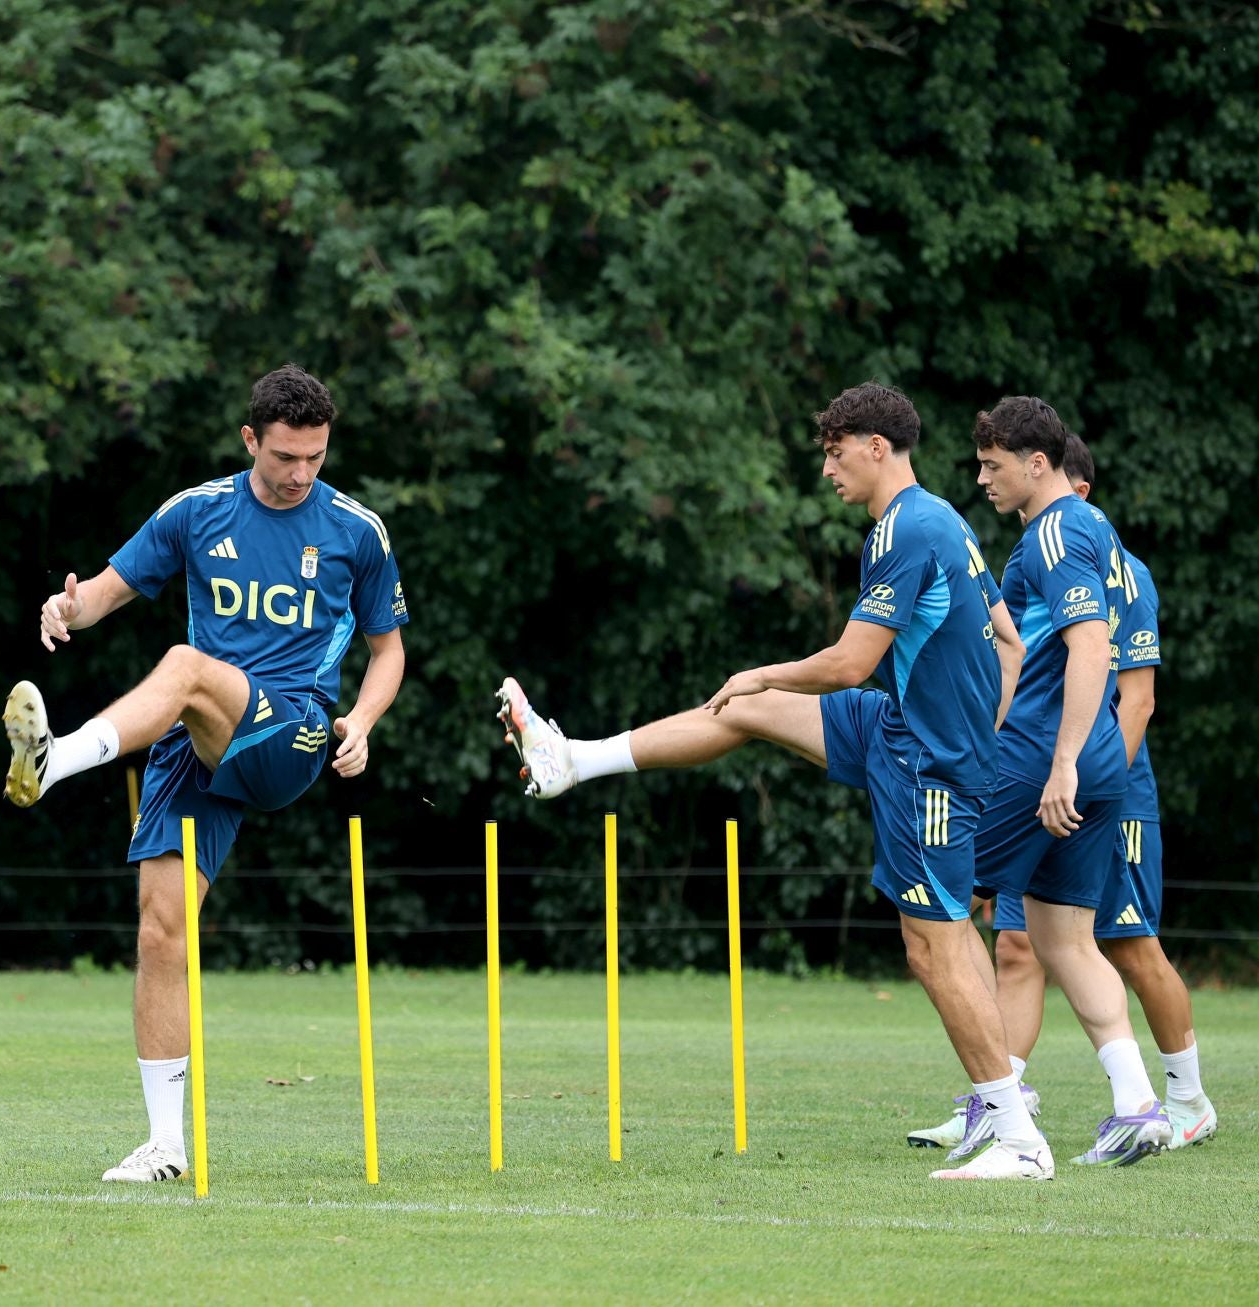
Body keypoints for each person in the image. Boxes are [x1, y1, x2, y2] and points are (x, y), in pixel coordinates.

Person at [497, 381, 1057, 1180]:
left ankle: (1018, 1138)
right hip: (898, 729)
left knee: (932, 944)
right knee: (746, 712)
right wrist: (977, 722)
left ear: (875, 447)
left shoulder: (908, 527)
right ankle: (573, 760)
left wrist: (766, 669)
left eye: (835, 454)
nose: (827, 470)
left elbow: (849, 661)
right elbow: (1008, 639)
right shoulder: (943, 521)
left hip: (928, 763)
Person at [0, 363, 409, 1182]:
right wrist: (65, 608)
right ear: (250, 439)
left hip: (291, 732)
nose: (300, 474)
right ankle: (164, 1145)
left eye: (316, 458)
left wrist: (360, 721)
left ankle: (57, 759)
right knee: (160, 932)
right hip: (195, 742)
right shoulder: (196, 512)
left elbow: (387, 651)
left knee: (186, 665)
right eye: (285, 456)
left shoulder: (357, 532)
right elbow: (107, 592)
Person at [910, 433, 1217, 1153]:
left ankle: (1003, 1112)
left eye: (992, 465)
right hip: (1096, 762)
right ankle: (1138, 1104)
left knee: (935, 915)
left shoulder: (1055, 531)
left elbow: (1087, 647)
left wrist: (1062, 764)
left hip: (1043, 759)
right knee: (1064, 941)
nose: (981, 478)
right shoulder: (1092, 529)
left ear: (1037, 464)